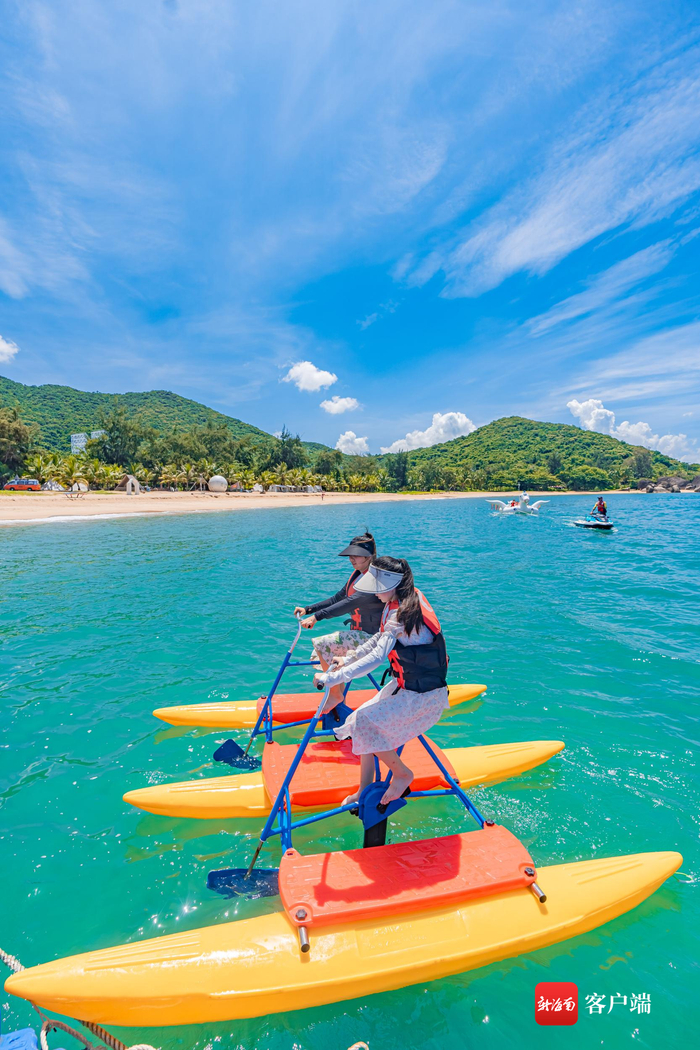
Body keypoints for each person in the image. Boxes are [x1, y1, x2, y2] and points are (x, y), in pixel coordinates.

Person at [313, 556, 448, 806]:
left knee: (365, 721)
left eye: (378, 587)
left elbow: (377, 657)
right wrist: (348, 658)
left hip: (423, 697)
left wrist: (333, 677)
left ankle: (402, 773)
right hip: (404, 689)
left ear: (393, 585)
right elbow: (377, 641)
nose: (374, 594)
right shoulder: (395, 602)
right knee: (357, 719)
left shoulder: (403, 615)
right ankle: (364, 790)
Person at [294, 533, 382, 712]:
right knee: (316, 654)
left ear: (369, 556)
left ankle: (335, 694)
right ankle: (338, 695)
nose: (351, 559)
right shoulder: (357, 575)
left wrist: (317, 617)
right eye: (350, 555)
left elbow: (349, 603)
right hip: (358, 634)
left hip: (371, 639)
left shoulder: (373, 579)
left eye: (356, 555)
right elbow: (338, 598)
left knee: (322, 644)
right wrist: (309, 609)